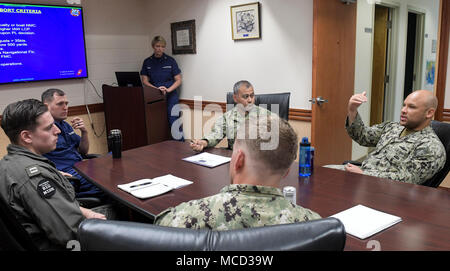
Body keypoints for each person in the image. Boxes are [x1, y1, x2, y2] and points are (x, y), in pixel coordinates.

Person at [155, 115, 321, 229]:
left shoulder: (189, 216)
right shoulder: (314, 225)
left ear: (239, 160)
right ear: (286, 171)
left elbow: (159, 229)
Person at [0, 99, 105, 250]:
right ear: (27, 137)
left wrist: (83, 211)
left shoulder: (7, 163)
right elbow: (70, 234)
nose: (58, 130)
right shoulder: (36, 177)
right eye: (49, 127)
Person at [328, 89, 446, 185]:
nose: (403, 110)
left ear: (429, 113)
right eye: (404, 105)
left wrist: (363, 174)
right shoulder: (392, 127)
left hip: (383, 190)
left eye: (411, 107)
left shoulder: (431, 147)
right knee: (321, 172)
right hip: (362, 178)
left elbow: (407, 180)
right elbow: (363, 136)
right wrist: (352, 110)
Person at [40, 88, 106, 200]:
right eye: (60, 104)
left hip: (81, 167)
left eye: (66, 103)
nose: (65, 108)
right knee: (108, 180)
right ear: (46, 106)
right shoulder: (43, 130)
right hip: (68, 174)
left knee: (115, 159)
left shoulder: (65, 125)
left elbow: (83, 152)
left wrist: (84, 132)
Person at [190, 80, 271, 152]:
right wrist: (203, 142)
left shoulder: (266, 115)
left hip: (259, 160)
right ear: (235, 98)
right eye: (245, 97)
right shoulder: (228, 117)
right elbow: (215, 134)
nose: (250, 100)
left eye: (252, 96)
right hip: (234, 158)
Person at [140, 35, 184, 141]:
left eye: (162, 46)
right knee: (157, 123)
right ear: (153, 46)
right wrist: (156, 90)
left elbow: (178, 80)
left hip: (171, 95)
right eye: (157, 46)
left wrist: (168, 90)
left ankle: (180, 146)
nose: (160, 49)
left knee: (174, 121)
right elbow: (145, 81)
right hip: (154, 96)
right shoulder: (147, 62)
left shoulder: (170, 61)